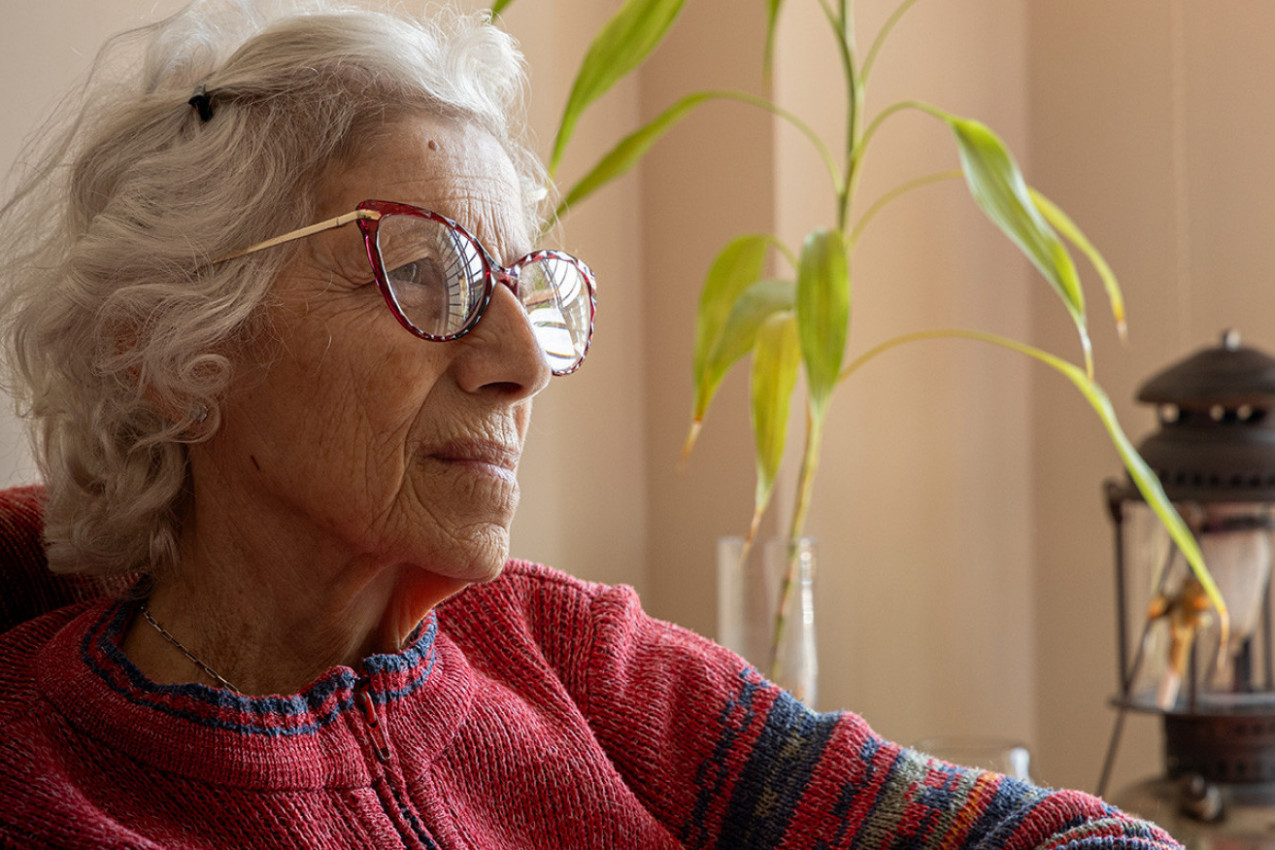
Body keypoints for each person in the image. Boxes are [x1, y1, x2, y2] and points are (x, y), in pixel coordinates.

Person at [0, 1, 1180, 847]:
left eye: (529, 288)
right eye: (426, 272)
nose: (521, 360)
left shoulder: (564, 653)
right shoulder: (44, 782)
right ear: (161, 349)